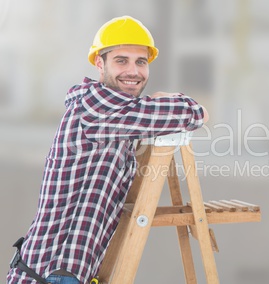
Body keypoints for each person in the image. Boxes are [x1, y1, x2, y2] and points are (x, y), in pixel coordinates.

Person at [7, 16, 208, 284]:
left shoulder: (121, 116)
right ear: (99, 63)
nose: (133, 71)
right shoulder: (95, 105)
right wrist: (183, 105)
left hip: (63, 274)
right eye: (121, 60)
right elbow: (193, 113)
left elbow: (149, 115)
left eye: (141, 62)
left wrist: (154, 105)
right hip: (50, 274)